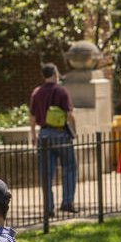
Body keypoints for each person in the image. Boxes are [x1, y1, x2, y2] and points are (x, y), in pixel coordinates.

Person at [30, 63, 79, 216]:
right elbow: (70, 115)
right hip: (61, 134)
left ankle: (49, 207)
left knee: (46, 173)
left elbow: (32, 117)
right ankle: (67, 202)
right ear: (55, 74)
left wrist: (33, 135)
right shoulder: (61, 91)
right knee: (69, 167)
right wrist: (75, 132)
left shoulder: (36, 93)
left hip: (44, 135)